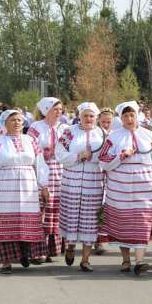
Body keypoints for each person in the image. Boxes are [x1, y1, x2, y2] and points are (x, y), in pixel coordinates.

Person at [98, 101, 152, 275]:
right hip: (119, 188)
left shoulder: (149, 135)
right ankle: (125, 260)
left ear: (137, 115)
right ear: (121, 118)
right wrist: (121, 156)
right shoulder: (113, 137)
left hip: (144, 187)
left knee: (142, 222)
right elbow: (103, 161)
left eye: (132, 115)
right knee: (122, 223)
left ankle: (140, 261)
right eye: (125, 116)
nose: (129, 119)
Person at [0, 110, 50, 274]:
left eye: (20, 120)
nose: (17, 123)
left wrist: (44, 186)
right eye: (13, 120)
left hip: (28, 187)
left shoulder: (31, 141)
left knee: (26, 221)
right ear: (5, 123)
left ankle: (25, 253)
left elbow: (40, 164)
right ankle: (6, 261)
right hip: (5, 187)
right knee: (6, 223)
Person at [56, 102, 105, 272]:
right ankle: (70, 246)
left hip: (93, 181)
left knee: (90, 220)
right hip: (72, 180)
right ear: (79, 116)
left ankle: (85, 259)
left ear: (96, 117)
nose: (88, 119)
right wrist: (77, 156)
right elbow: (59, 154)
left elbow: (107, 156)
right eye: (85, 115)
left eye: (92, 116)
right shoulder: (69, 132)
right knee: (71, 216)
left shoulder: (102, 134)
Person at [27, 97, 66, 263]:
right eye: (55, 109)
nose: (59, 112)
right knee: (41, 208)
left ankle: (52, 249)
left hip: (61, 171)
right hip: (42, 169)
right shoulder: (36, 127)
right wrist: (43, 152)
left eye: (60, 109)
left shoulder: (65, 128)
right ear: (46, 110)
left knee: (56, 209)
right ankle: (37, 250)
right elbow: (29, 147)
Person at [93, 107, 116, 254]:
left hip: (111, 174)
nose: (105, 125)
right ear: (98, 121)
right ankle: (96, 240)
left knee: (105, 206)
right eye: (103, 122)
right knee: (97, 205)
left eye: (108, 122)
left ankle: (102, 239)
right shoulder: (94, 135)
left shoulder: (115, 135)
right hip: (95, 173)